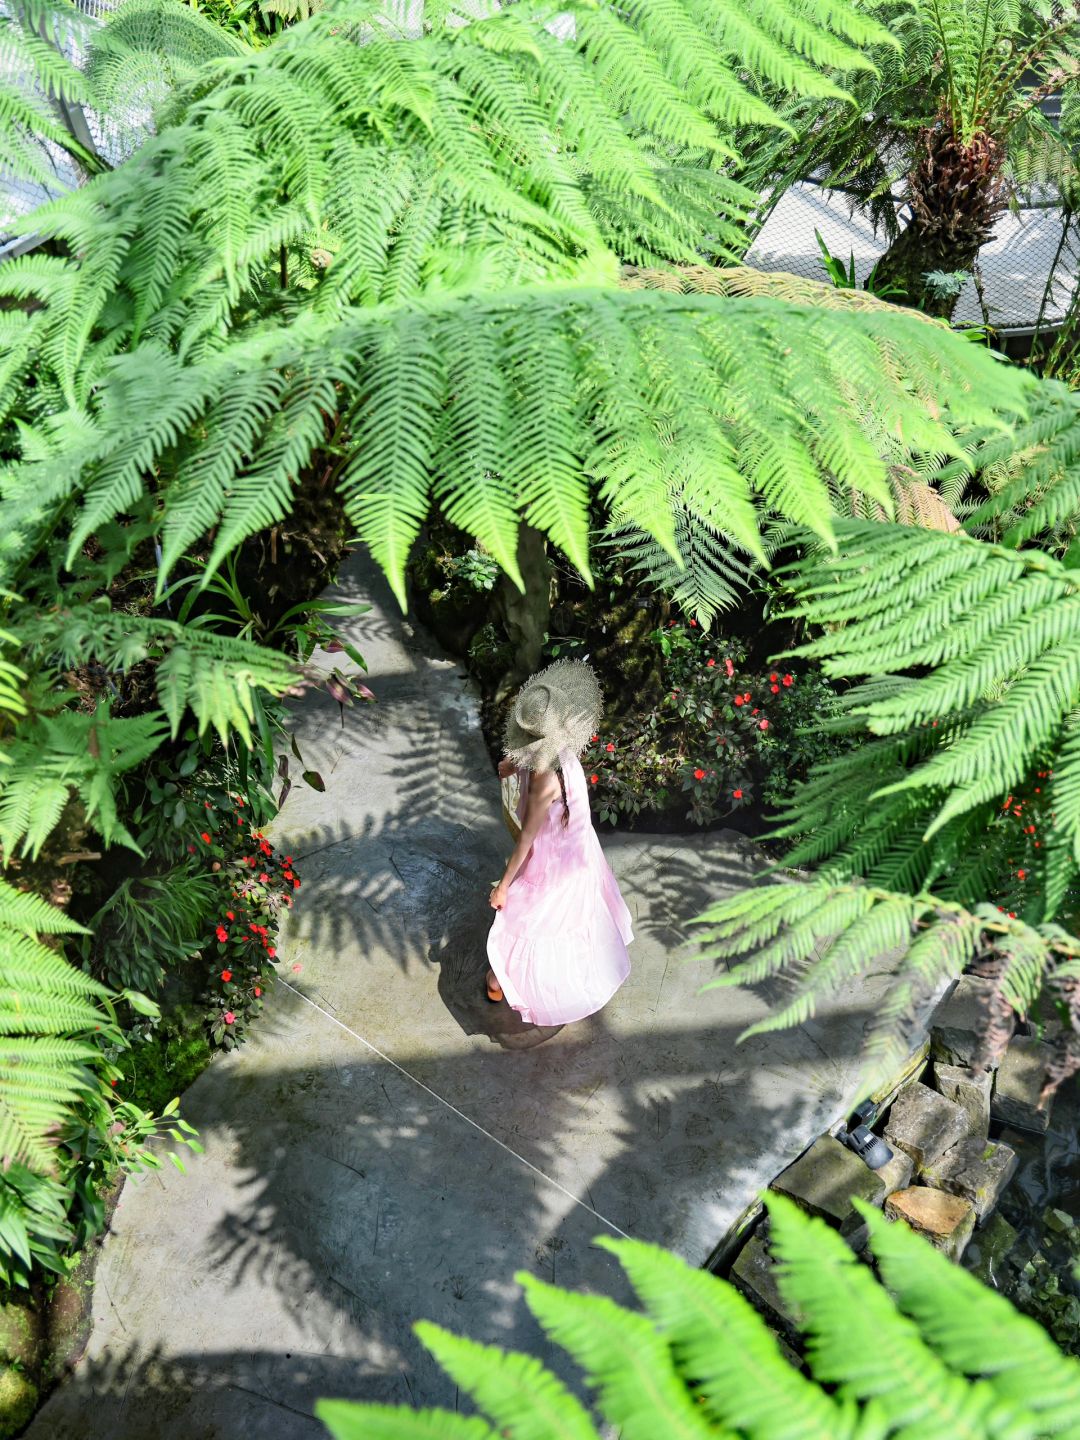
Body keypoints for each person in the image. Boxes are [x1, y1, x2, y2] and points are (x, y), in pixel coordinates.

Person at [485, 659, 633, 1026]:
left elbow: (526, 841)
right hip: (578, 853)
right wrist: (514, 764)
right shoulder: (566, 755)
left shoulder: (543, 781)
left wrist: (503, 887)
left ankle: (500, 980)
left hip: (551, 863)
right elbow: (541, 757)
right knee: (571, 920)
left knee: (526, 920)